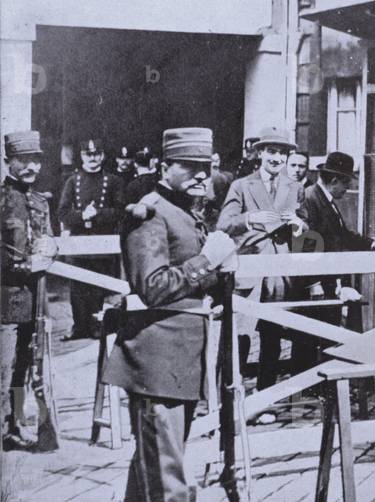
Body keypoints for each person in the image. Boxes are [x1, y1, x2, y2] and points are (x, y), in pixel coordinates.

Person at [102, 127, 237, 502]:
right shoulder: (149, 214)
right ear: (165, 167)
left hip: (179, 364)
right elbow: (153, 287)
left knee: (151, 471)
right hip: (156, 363)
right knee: (168, 481)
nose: (200, 175)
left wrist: (217, 276)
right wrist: (207, 259)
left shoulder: (183, 213)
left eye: (205, 168)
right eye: (189, 166)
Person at [217, 126, 306, 421]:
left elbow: (303, 227)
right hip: (249, 267)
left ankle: (264, 400)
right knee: (240, 336)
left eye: (282, 153)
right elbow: (223, 224)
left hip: (278, 270)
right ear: (259, 153)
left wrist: (298, 225)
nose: (277, 158)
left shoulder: (293, 187)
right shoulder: (242, 186)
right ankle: (228, 401)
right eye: (271, 151)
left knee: (272, 335)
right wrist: (250, 218)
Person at [292, 152, 375, 373]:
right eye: (346, 184)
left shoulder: (326, 200)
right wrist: (313, 283)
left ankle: (321, 384)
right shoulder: (310, 199)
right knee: (309, 335)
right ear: (334, 181)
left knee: (325, 332)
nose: (346, 189)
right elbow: (303, 243)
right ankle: (306, 386)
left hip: (328, 278)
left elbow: (342, 234)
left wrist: (373, 245)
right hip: (315, 282)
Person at [1, 131, 54, 450]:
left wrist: (53, 246)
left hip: (34, 302)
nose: (31, 167)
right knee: (3, 368)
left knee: (24, 368)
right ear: (9, 161)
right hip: (5, 300)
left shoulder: (40, 201)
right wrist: (25, 267)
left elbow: (48, 239)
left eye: (36, 160)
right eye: (24, 160)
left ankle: (16, 424)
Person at [58, 138, 125, 340]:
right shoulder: (72, 181)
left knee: (98, 287)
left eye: (96, 154)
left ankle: (97, 325)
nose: (93, 158)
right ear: (82, 156)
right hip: (78, 242)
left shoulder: (113, 181)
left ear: (102, 155)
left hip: (102, 243)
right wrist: (81, 217)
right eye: (88, 154)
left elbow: (120, 211)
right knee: (77, 287)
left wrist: (97, 214)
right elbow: (61, 213)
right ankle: (79, 327)